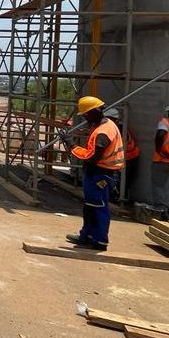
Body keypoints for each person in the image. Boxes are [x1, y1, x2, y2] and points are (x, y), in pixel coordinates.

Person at [65, 96, 125, 251]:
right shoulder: (101, 124)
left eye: (86, 114)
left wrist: (72, 145)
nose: (84, 117)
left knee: (98, 206)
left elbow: (92, 158)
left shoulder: (104, 132)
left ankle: (100, 241)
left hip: (101, 174)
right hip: (97, 172)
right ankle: (87, 235)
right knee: (90, 206)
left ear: (95, 111)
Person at [104, 107, 138, 204]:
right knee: (119, 178)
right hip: (124, 157)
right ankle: (116, 196)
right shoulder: (116, 127)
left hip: (128, 157)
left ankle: (118, 197)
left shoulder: (119, 128)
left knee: (121, 179)